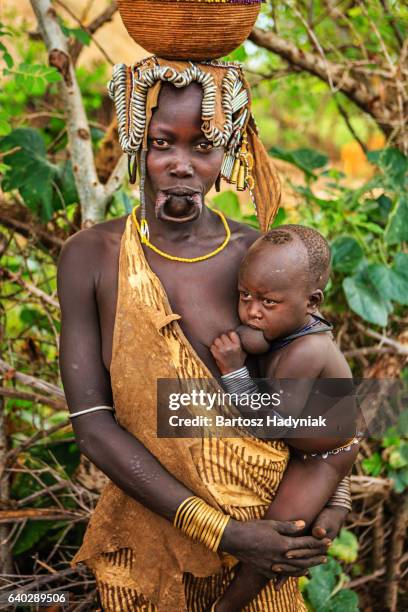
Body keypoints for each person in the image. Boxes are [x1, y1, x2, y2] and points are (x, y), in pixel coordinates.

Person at [57, 57, 351, 611]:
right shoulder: (91, 258)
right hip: (150, 533)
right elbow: (92, 425)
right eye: (162, 142)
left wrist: (333, 495)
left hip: (266, 541)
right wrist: (220, 531)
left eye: (203, 146)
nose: (181, 165)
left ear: (229, 151)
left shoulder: (258, 261)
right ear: (134, 139)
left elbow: (313, 398)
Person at [209, 225, 358, 610]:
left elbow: (273, 423)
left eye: (268, 302)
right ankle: (332, 506)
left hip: (321, 459)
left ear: (311, 301)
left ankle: (227, 607)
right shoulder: (291, 329)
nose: (252, 310)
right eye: (245, 295)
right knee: (306, 523)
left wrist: (233, 372)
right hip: (311, 442)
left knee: (278, 536)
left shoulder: (306, 352)